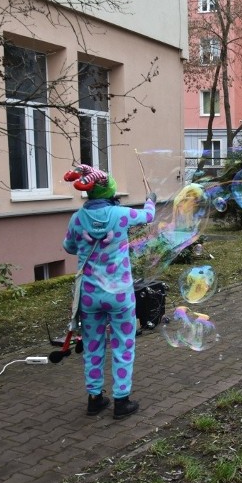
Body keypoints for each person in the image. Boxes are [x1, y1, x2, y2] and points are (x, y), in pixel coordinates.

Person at [62, 164, 156, 418]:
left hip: (90, 296)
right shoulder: (121, 214)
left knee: (93, 345)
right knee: (123, 344)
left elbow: (68, 246)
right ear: (109, 191)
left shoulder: (77, 218)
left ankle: (94, 399)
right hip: (120, 295)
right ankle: (121, 401)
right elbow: (148, 216)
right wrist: (151, 201)